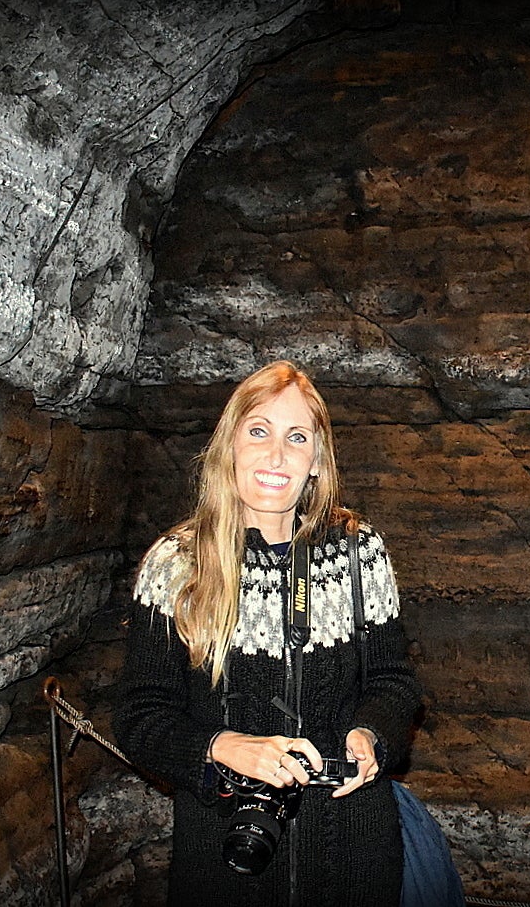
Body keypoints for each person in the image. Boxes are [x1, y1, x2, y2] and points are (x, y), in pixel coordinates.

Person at [116, 360, 423, 906]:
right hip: (226, 858)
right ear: (229, 445)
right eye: (259, 431)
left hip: (353, 852)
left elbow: (394, 683)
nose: (277, 454)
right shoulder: (175, 565)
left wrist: (371, 735)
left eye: (297, 437)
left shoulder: (358, 552)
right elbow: (142, 715)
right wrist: (222, 747)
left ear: (315, 461)